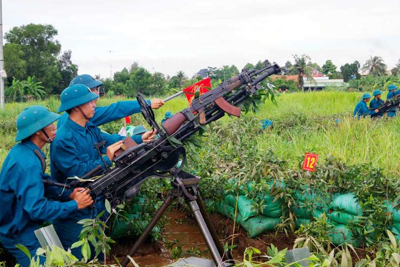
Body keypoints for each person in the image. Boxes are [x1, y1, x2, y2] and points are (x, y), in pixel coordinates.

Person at [50, 84, 156, 259]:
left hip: (94, 204)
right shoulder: (63, 138)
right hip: (74, 212)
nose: (94, 104)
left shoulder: (89, 129)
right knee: (81, 258)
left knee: (99, 256)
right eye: (89, 102)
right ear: (77, 106)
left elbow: (111, 140)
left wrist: (139, 139)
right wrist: (106, 159)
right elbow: (77, 174)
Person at [0, 106, 93, 267]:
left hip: (25, 224)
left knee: (60, 261)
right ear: (37, 131)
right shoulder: (27, 163)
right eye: (50, 123)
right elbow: (37, 209)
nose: (55, 126)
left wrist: (68, 194)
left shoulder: (28, 152)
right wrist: (75, 204)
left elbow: (44, 182)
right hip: (17, 232)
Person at [57, 74, 164, 127]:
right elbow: (115, 110)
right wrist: (147, 104)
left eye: (97, 89)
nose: (97, 94)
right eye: (92, 90)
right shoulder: (80, 115)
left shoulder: (68, 116)